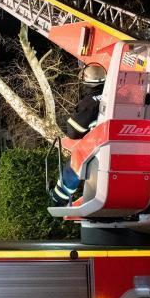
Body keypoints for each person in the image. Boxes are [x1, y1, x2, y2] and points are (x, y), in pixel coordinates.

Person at [50, 63, 107, 206]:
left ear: (86, 79)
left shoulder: (89, 103)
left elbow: (74, 131)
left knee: (76, 158)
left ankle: (59, 198)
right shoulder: (116, 94)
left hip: (99, 145)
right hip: (120, 142)